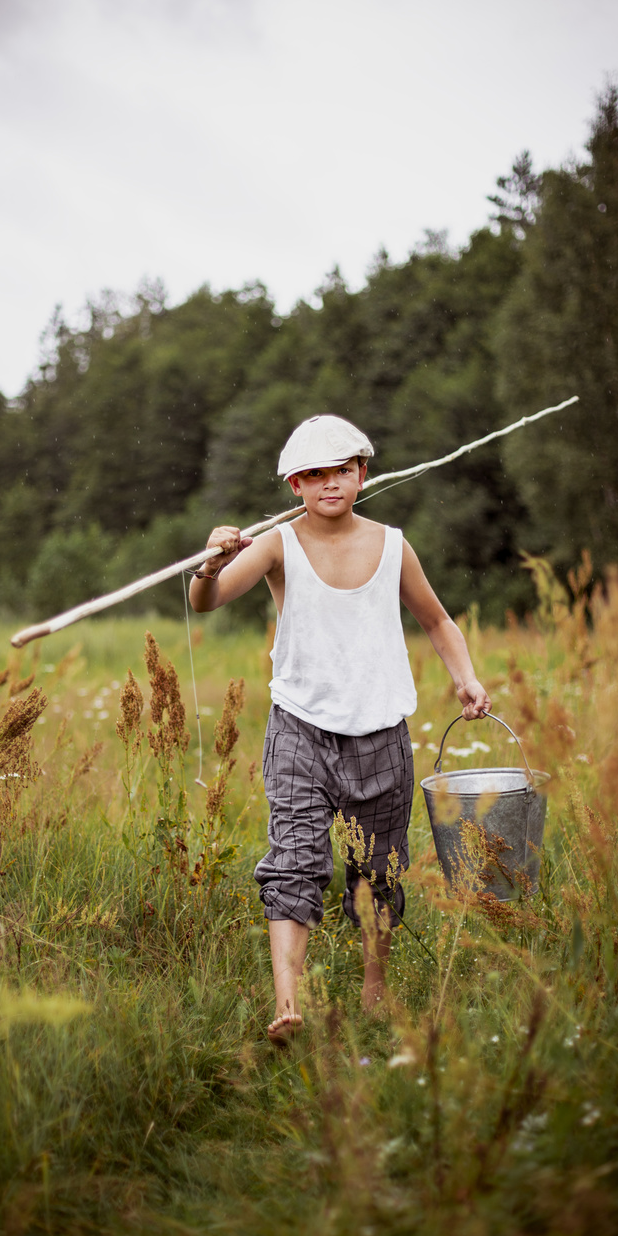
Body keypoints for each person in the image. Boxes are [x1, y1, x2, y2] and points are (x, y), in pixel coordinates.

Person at [189, 414, 490, 1046]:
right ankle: (288, 1004)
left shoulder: (391, 544)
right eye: (316, 475)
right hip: (298, 728)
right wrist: (210, 563)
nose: (331, 483)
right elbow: (208, 602)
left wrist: (464, 678)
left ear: (361, 475)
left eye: (343, 471)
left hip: (379, 732)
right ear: (294, 484)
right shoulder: (275, 544)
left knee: (376, 872)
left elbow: (437, 621)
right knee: (296, 861)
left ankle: (374, 994)